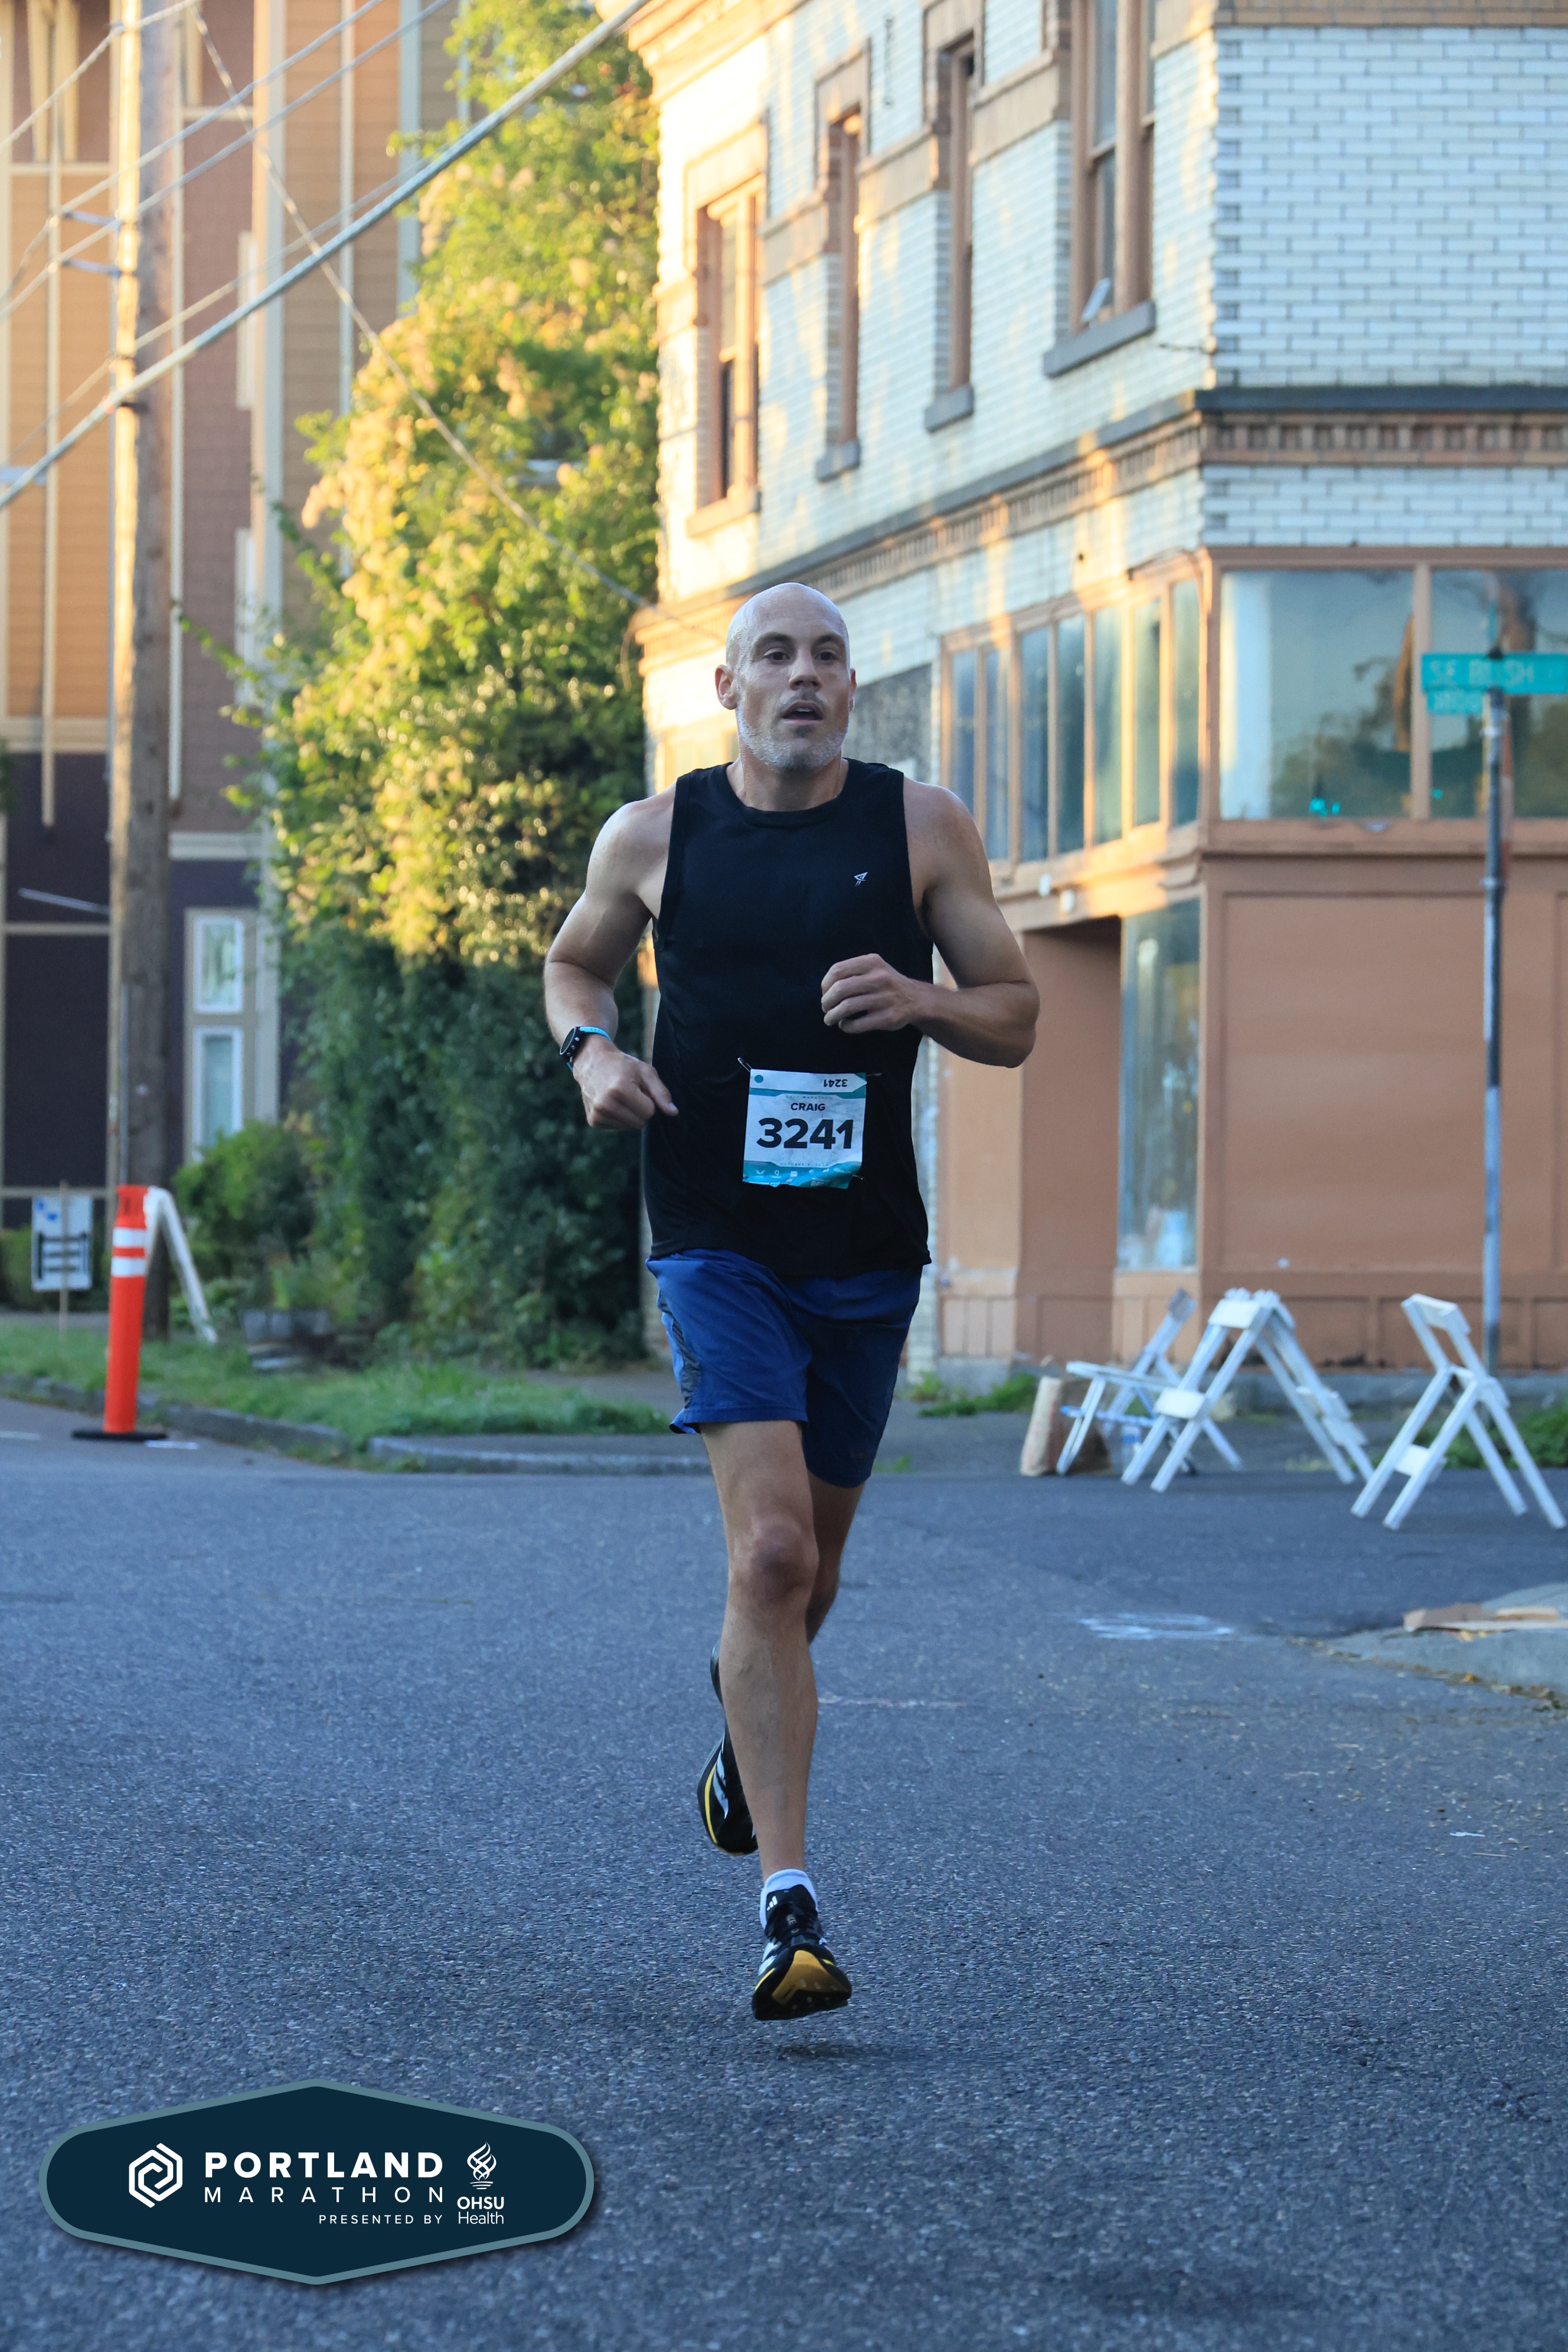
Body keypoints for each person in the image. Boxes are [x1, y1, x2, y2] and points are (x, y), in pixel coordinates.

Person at [544, 581, 1038, 2020]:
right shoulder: (654, 835)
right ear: (728, 687)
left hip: (864, 1247)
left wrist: (926, 1001)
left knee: (804, 1584)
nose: (803, 677)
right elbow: (575, 966)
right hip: (713, 1234)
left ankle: (741, 1736)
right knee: (765, 1558)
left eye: (827, 656)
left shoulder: (918, 826)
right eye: (775, 655)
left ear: (850, 688)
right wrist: (591, 1054)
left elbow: (1014, 1011)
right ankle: (787, 1910)